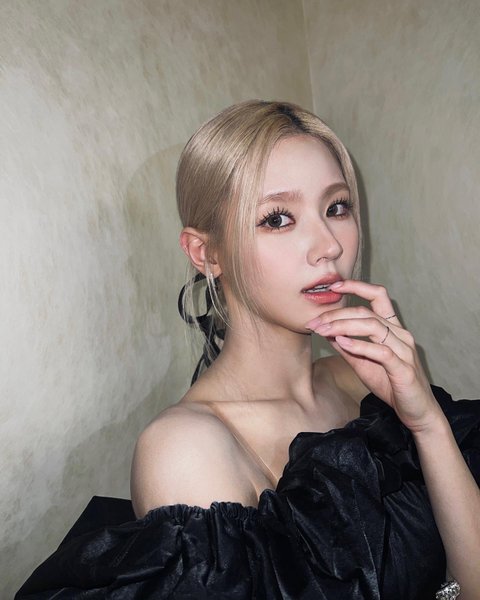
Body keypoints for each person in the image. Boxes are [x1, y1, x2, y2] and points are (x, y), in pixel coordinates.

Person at [16, 101, 480, 599]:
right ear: (206, 253)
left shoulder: (358, 382)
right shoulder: (185, 451)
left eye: (336, 207)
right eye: (277, 218)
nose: (329, 245)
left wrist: (426, 420)